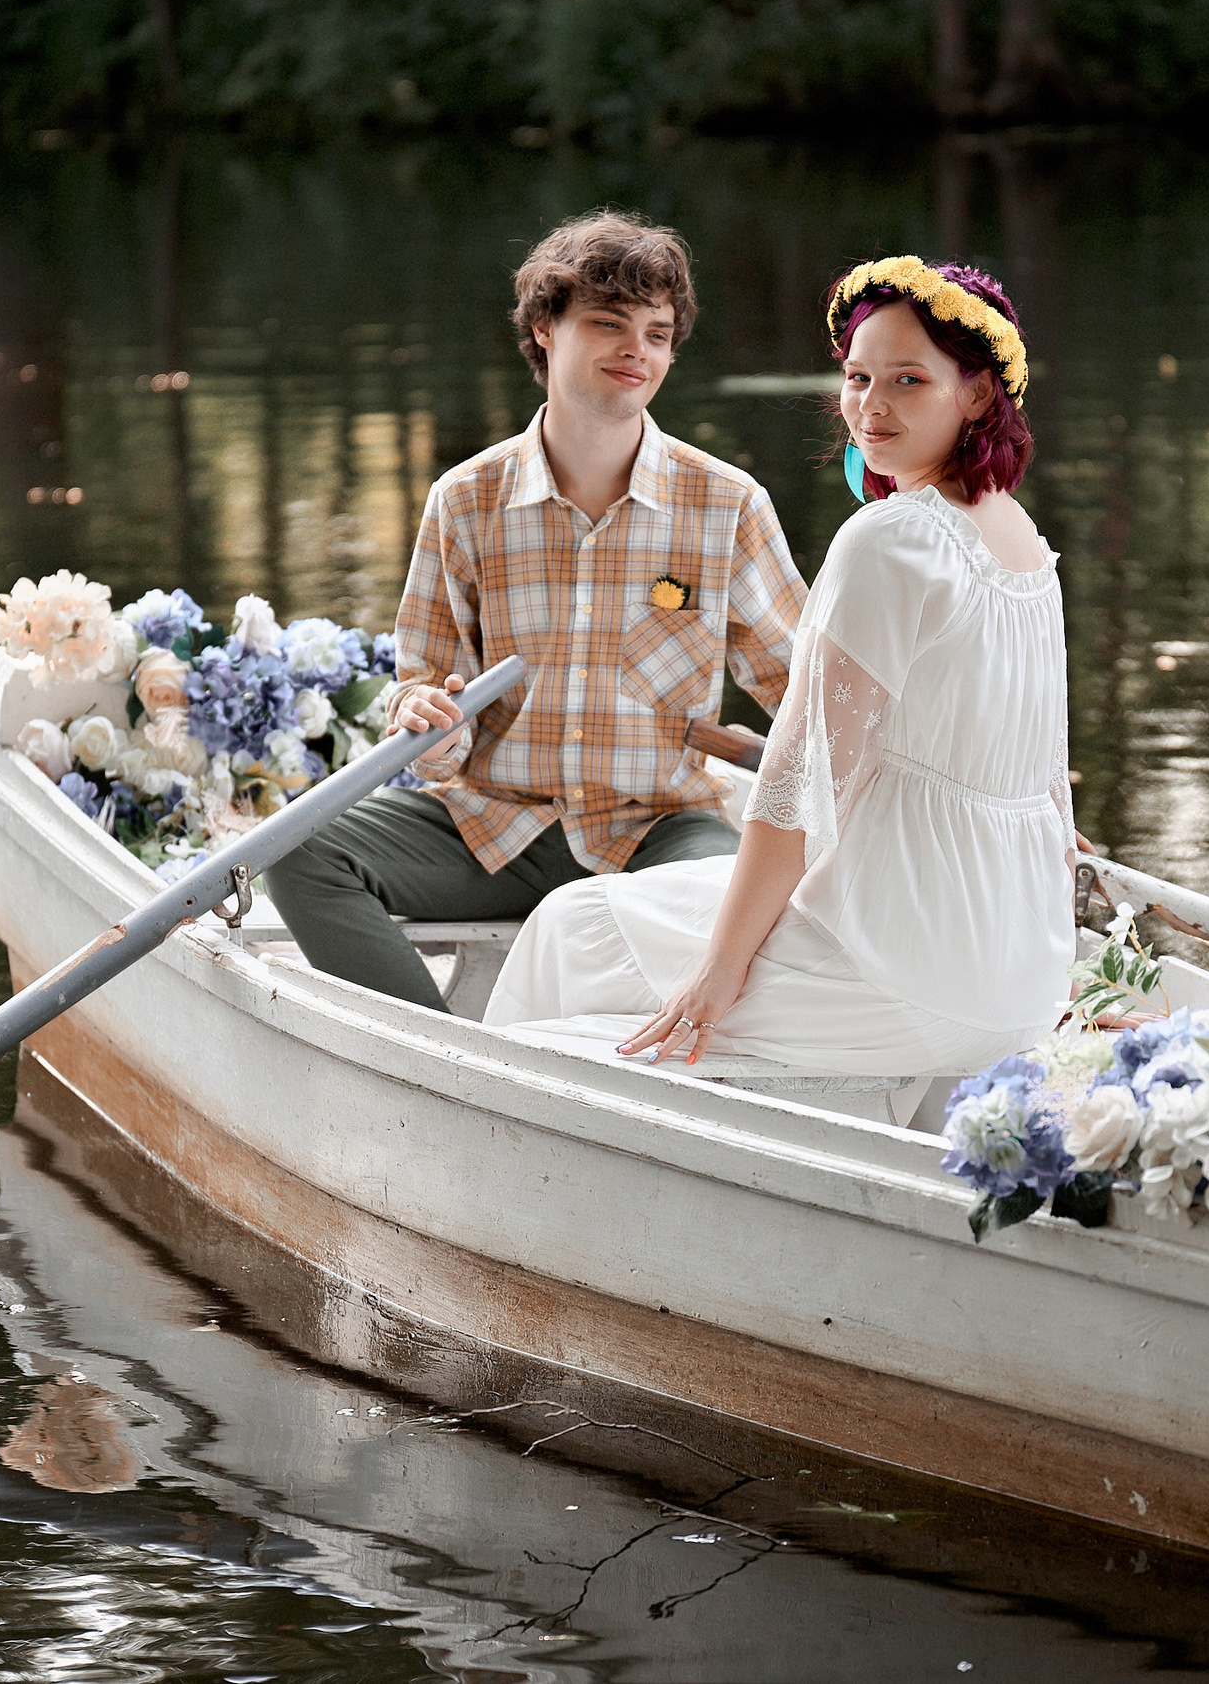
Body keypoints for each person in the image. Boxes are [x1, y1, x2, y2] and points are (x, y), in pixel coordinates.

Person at [485, 258, 1075, 1079]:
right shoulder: (1023, 540)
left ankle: (512, 1127)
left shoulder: (890, 539)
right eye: (859, 377)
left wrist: (722, 967)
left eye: (908, 380)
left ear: (977, 394)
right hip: (1020, 968)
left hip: (903, 965)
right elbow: (1051, 791)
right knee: (626, 914)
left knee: (569, 924)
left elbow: (798, 785)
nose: (871, 406)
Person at [264, 210, 806, 1011]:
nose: (638, 350)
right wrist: (425, 716)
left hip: (658, 829)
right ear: (546, 329)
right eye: (610, 323)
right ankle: (435, 1057)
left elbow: (806, 695)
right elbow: (423, 689)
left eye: (658, 334)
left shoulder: (727, 505)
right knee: (296, 849)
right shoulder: (465, 500)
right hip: (492, 828)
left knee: (740, 898)